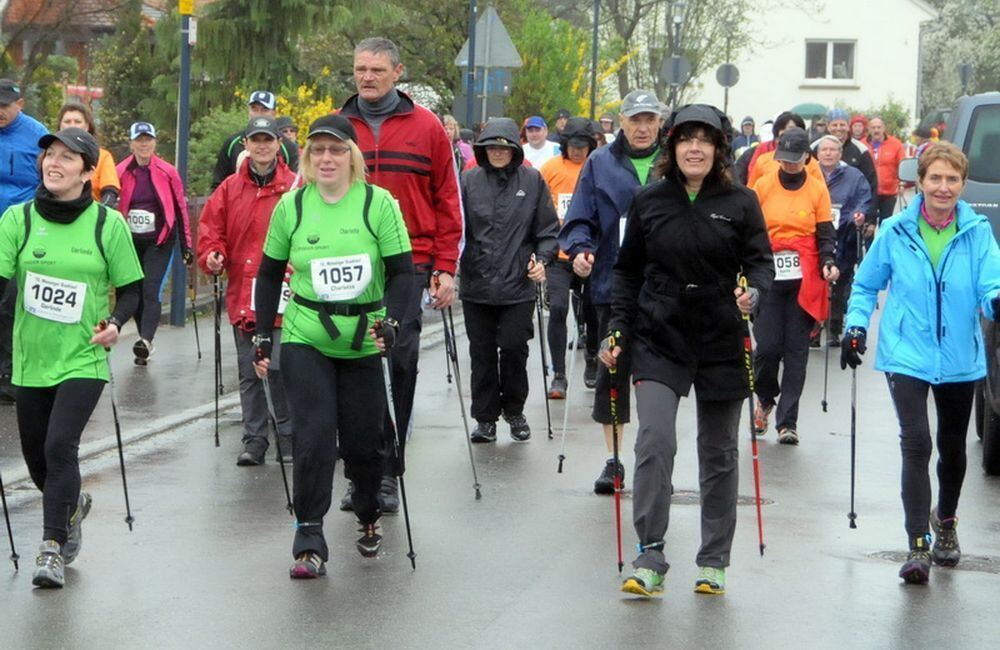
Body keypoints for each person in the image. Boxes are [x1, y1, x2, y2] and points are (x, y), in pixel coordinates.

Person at [606, 104, 773, 598]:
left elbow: (761, 265)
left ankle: (713, 560)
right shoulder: (649, 200)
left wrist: (754, 294)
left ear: (720, 148)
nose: (694, 148)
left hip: (721, 338)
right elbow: (627, 271)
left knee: (718, 453)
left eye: (704, 140)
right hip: (661, 335)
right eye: (685, 139)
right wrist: (618, 329)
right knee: (654, 442)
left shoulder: (741, 202)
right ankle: (650, 552)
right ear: (671, 147)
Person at [251, 114, 412, 578]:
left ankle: (366, 511)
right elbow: (267, 272)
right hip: (307, 337)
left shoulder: (377, 204)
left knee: (363, 447)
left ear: (352, 156)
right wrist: (264, 333)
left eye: (336, 149)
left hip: (364, 341)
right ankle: (309, 537)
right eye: (317, 150)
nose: (326, 158)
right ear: (306, 156)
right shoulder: (293, 207)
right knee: (314, 437)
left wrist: (394, 322)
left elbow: (403, 272)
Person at [841, 142, 1000, 585]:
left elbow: (992, 282)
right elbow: (865, 285)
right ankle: (917, 546)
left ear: (963, 185)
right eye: (936, 178)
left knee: (952, 450)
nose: (944, 188)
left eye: (952, 180)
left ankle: (945, 520)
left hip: (959, 359)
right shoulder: (894, 231)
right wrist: (855, 325)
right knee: (916, 443)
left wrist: (996, 302)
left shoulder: (978, 232)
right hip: (906, 353)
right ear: (921, 182)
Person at [0, 128, 143, 588]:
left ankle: (51, 547)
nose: (53, 164)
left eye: (66, 158)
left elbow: (133, 289)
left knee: (60, 446)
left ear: (87, 171)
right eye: (49, 157)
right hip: (31, 359)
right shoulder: (17, 221)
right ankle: (71, 505)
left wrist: (117, 323)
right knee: (36, 457)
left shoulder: (107, 224)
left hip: (84, 357)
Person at [338, 37, 462, 513]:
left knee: (398, 362)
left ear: (397, 72)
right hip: (345, 265)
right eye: (359, 69)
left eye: (376, 70)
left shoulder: (426, 127)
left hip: (409, 264)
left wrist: (446, 266)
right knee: (352, 366)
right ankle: (358, 472)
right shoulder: (338, 125)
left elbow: (448, 201)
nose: (366, 77)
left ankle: (388, 469)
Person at [559, 88, 662, 494]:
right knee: (613, 372)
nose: (641, 127)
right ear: (621, 122)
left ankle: (655, 461)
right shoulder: (600, 163)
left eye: (649, 120)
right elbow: (579, 217)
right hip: (611, 284)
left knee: (659, 377)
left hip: (665, 289)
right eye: (634, 119)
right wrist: (582, 250)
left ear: (659, 123)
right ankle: (615, 461)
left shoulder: (673, 163)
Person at [198, 116, 298, 466]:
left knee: (281, 366)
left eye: (267, 140)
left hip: (285, 291)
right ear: (246, 145)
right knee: (248, 369)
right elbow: (212, 230)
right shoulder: (229, 188)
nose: (261, 146)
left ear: (277, 145)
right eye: (255, 140)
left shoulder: (297, 187)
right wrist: (213, 255)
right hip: (244, 289)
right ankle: (255, 439)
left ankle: (288, 435)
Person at [459, 118, 558, 441]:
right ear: (483, 149)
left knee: (515, 348)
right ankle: (485, 418)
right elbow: (457, 229)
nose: (497, 152)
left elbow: (547, 231)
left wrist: (543, 260)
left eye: (503, 147)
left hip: (518, 283)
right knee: (482, 353)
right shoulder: (469, 180)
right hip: (478, 282)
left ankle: (514, 410)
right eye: (491, 147)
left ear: (514, 149)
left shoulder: (531, 180)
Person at [751, 127, 838, 445]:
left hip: (804, 277)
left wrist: (829, 261)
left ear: (807, 158)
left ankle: (787, 422)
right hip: (769, 275)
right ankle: (765, 398)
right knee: (768, 349)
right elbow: (749, 230)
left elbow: (825, 233)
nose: (788, 165)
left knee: (797, 352)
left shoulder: (817, 189)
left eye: (794, 160)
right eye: (783, 159)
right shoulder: (763, 185)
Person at [116, 122, 194, 364]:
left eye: (148, 139)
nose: (144, 144)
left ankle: (146, 341)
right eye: (139, 140)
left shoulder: (167, 171)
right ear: (131, 144)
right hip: (129, 242)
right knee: (132, 290)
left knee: (150, 289)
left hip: (160, 240)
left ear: (154, 142)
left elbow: (180, 208)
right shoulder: (120, 171)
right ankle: (143, 339)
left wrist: (186, 245)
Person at [540, 117, 599, 398]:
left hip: (589, 253)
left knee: (591, 311)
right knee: (560, 308)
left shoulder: (597, 167)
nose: (578, 152)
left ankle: (591, 358)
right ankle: (559, 376)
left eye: (583, 146)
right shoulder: (551, 168)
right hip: (559, 253)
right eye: (573, 146)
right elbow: (538, 208)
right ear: (565, 145)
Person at [0, 78, 47, 403]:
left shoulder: (37, 135)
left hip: (23, 232)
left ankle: (12, 371)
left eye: (5, 105)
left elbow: (51, 180)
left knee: (12, 304)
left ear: (20, 104)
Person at [815, 135, 871, 347]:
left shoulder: (854, 175)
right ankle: (814, 326)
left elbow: (864, 199)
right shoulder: (809, 173)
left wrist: (860, 214)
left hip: (844, 233)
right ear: (818, 154)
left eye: (832, 150)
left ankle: (834, 328)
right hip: (817, 234)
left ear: (840, 153)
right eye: (824, 150)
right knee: (817, 281)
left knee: (840, 282)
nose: (828, 153)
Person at [211, 91, 299, 190]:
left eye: (264, 109)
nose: (259, 114)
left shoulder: (288, 147)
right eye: (254, 109)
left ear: (274, 113)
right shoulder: (232, 143)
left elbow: (294, 185)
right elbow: (218, 184)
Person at [56, 102, 120, 207]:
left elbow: (110, 193)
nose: (72, 125)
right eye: (67, 121)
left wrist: (99, 215)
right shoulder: (51, 157)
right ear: (60, 126)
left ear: (87, 126)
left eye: (77, 121)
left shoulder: (103, 157)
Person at [746, 112, 823, 188]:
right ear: (776, 137)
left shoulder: (811, 163)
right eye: (783, 134)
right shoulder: (763, 161)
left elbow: (820, 192)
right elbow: (751, 192)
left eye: (793, 132)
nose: (788, 137)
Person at [867, 117, 906, 226]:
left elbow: (902, 164)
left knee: (886, 223)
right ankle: (870, 244)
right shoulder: (863, 144)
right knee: (868, 225)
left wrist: (902, 184)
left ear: (883, 128)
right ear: (869, 129)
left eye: (879, 127)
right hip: (868, 192)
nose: (876, 130)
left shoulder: (895, 144)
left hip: (889, 192)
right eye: (873, 127)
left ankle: (884, 242)